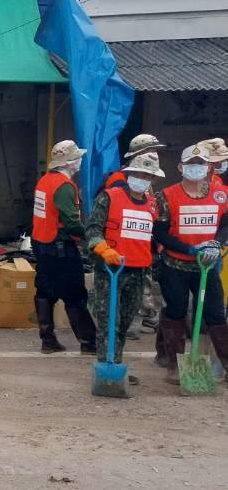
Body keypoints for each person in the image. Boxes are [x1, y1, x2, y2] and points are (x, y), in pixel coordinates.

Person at [85, 152, 167, 380]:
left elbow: (157, 235)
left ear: (153, 180)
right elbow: (92, 229)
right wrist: (103, 248)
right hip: (110, 269)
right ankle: (107, 368)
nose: (142, 179)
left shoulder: (153, 205)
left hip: (138, 270)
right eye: (139, 174)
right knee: (108, 320)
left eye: (147, 176)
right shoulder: (109, 197)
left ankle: (116, 363)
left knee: (124, 322)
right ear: (130, 174)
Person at [157, 143, 228, 383]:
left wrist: (217, 243)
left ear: (208, 167)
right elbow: (160, 232)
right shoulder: (167, 195)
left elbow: (226, 223)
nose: (195, 168)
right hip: (175, 265)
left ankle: (226, 364)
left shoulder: (221, 194)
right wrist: (188, 248)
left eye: (200, 163)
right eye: (190, 164)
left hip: (206, 266)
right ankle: (174, 366)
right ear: (180, 167)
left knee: (216, 313)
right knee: (176, 311)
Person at [31, 140, 97, 355]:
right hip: (60, 247)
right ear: (69, 162)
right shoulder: (65, 186)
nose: (80, 161)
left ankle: (47, 340)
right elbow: (71, 223)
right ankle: (89, 342)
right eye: (77, 157)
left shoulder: (44, 181)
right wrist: (94, 236)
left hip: (42, 244)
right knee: (75, 295)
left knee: (45, 292)